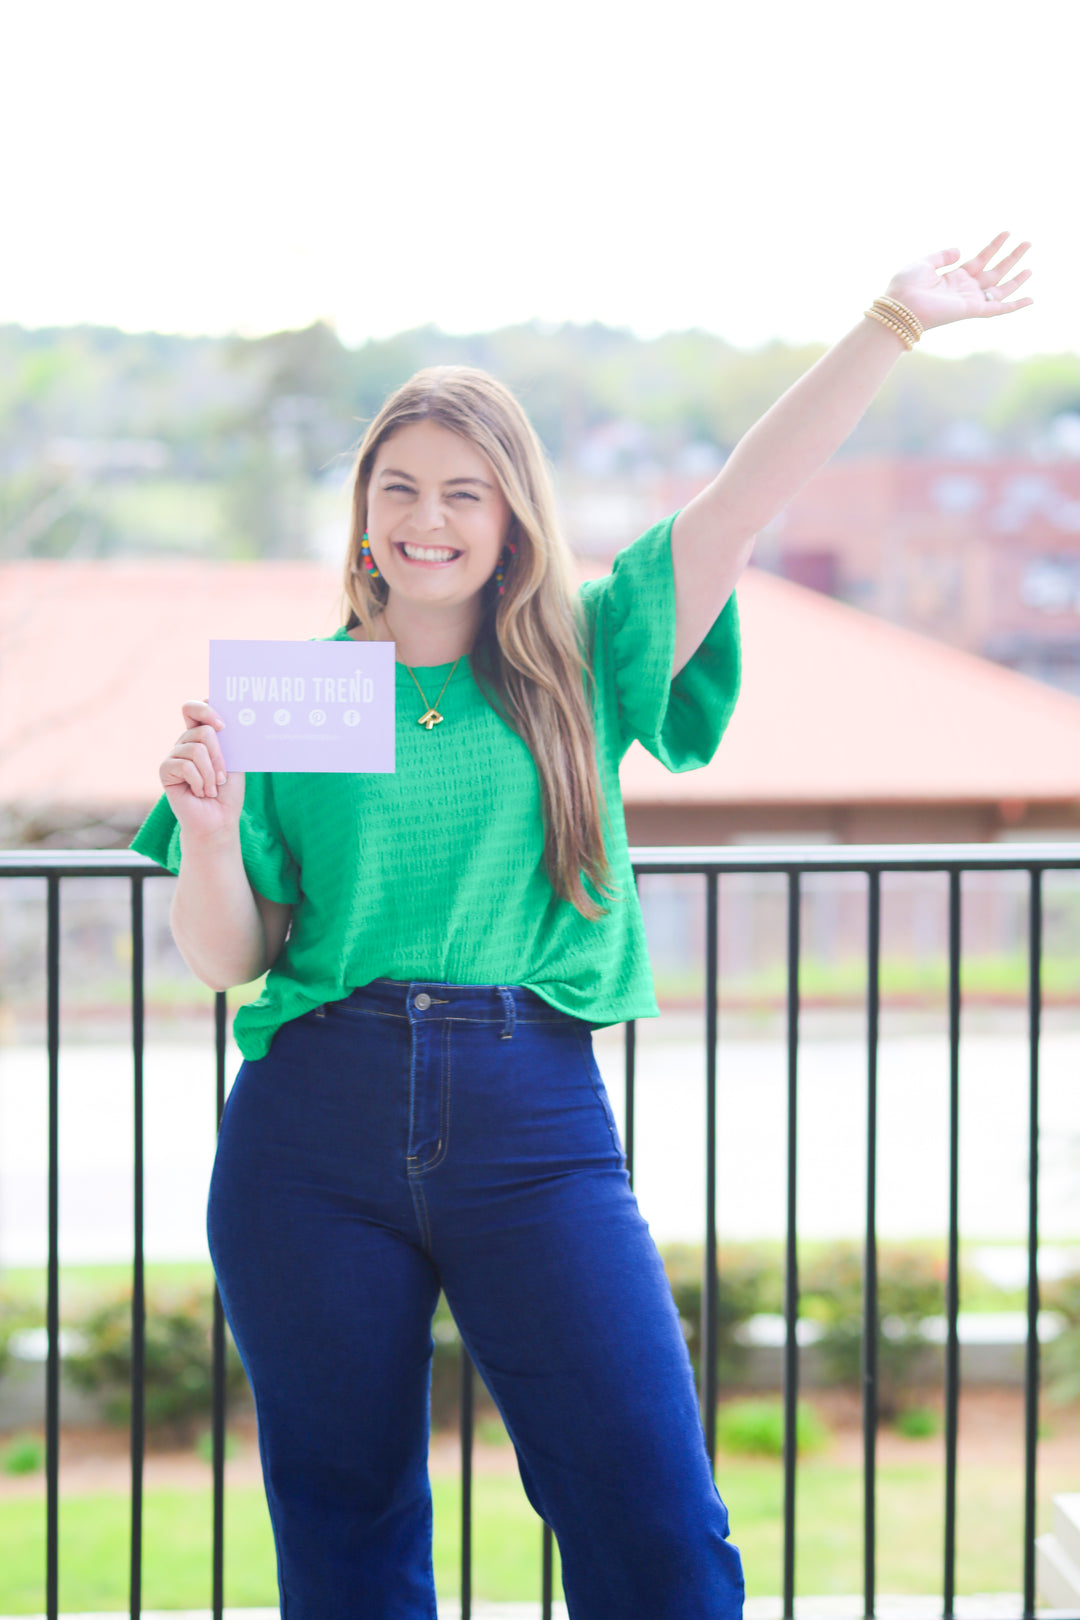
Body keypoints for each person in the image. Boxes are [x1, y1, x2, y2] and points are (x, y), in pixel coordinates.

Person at [130, 232, 1032, 1619]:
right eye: (400, 489)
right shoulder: (295, 699)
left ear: (512, 517)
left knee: (656, 1533)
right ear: (363, 512)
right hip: (306, 1135)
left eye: (465, 493)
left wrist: (890, 325)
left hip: (531, 1122)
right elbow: (234, 956)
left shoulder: (578, 655)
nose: (428, 518)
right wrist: (202, 828)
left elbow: (738, 508)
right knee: (345, 1538)